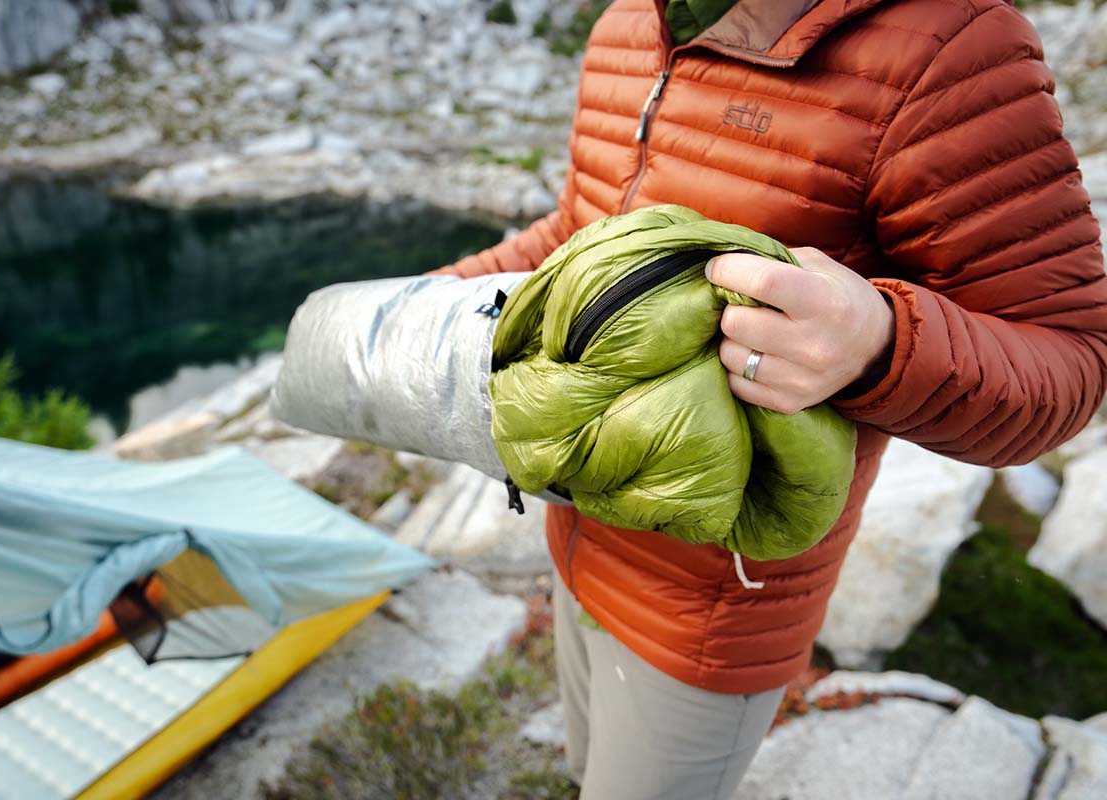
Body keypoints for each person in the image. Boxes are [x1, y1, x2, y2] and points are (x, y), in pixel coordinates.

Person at [435, 0, 1107, 797]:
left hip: (714, 609)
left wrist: (881, 344)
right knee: (586, 771)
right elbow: (577, 236)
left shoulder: (952, 45)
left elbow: (1071, 360)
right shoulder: (629, 22)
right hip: (574, 532)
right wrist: (405, 307)